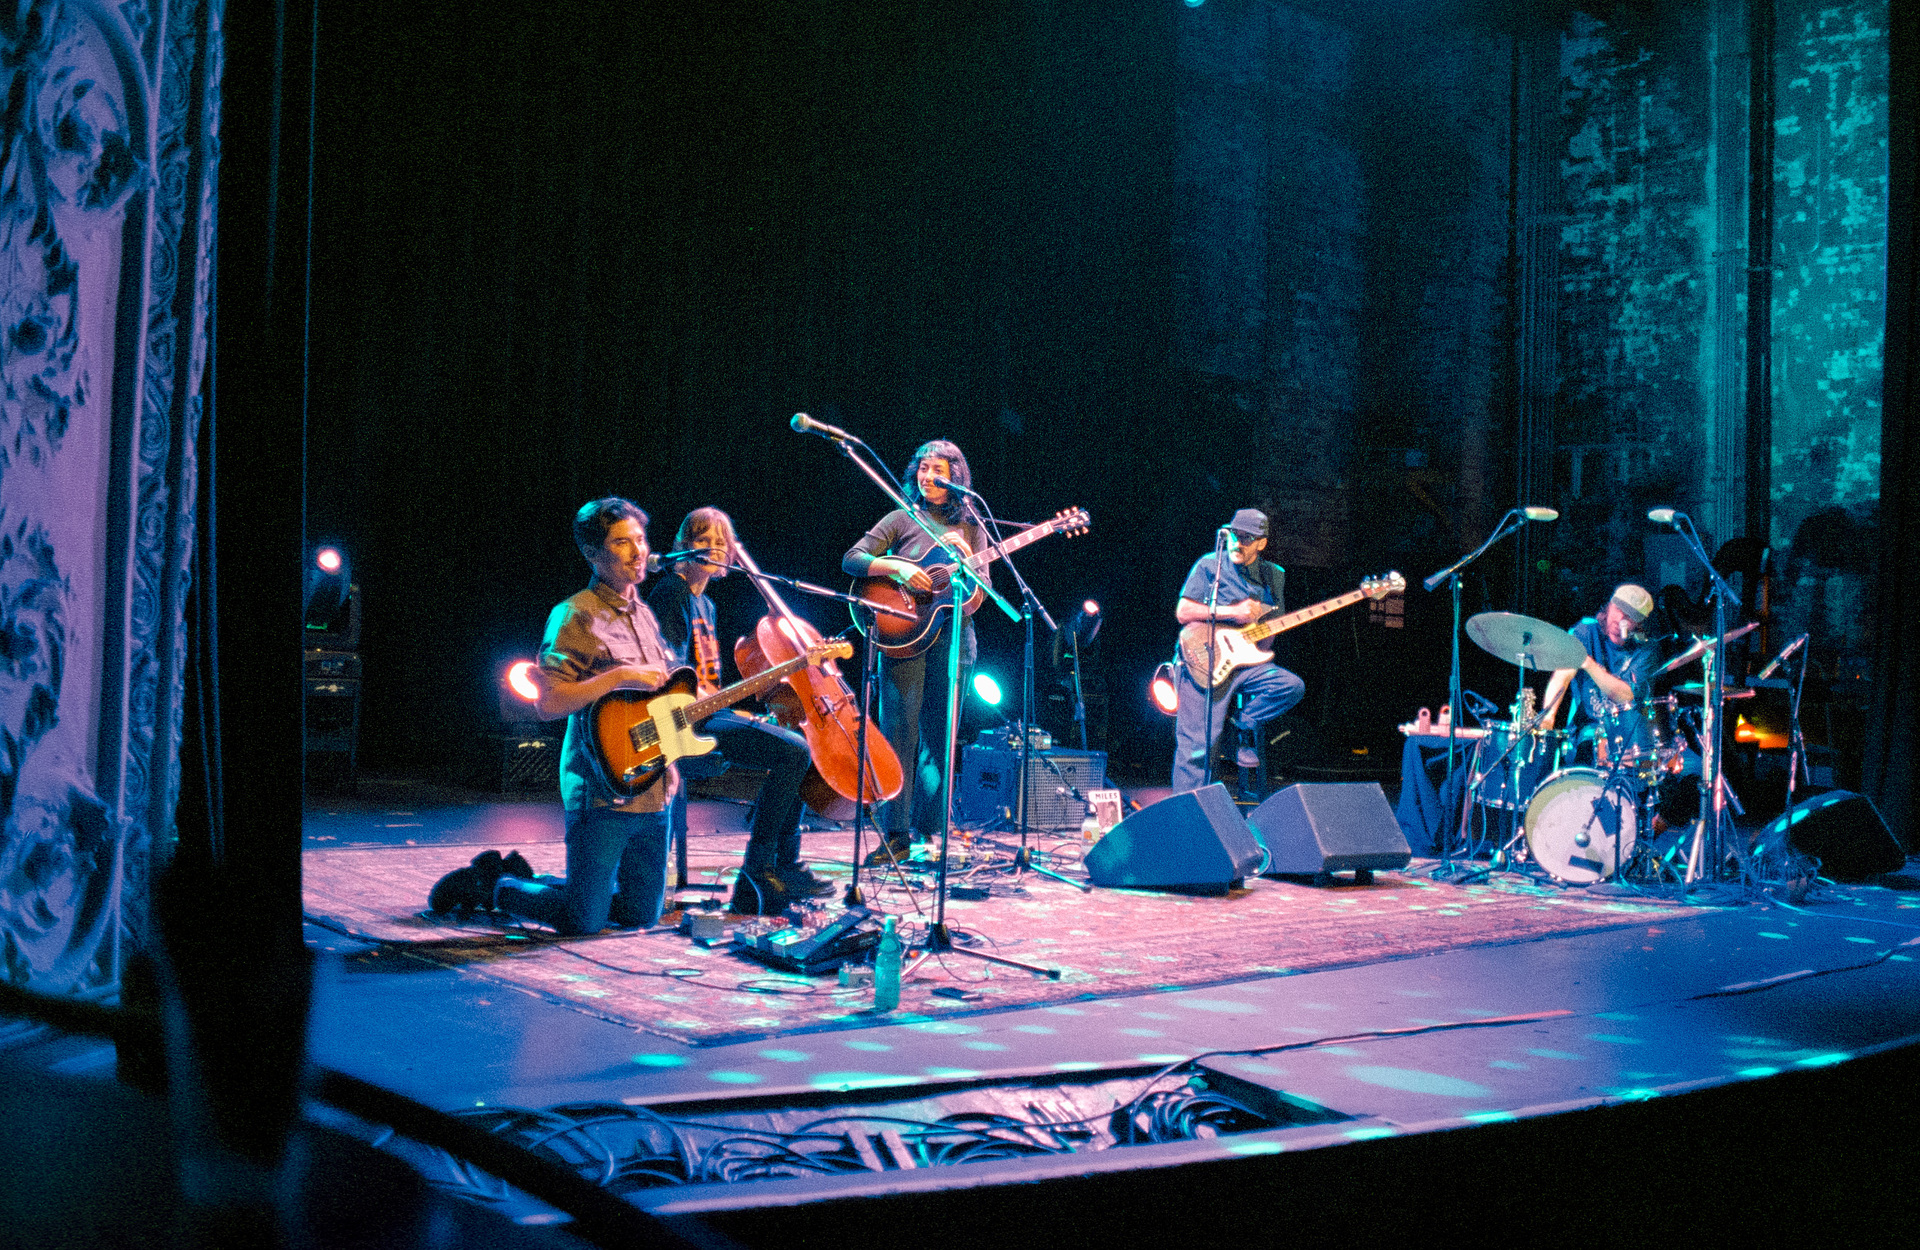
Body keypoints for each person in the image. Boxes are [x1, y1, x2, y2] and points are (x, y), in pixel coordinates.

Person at [485, 498, 678, 934]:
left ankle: (575, 889)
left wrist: (673, 761)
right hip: (601, 790)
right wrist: (618, 676)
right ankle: (497, 886)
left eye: (641, 539)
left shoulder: (645, 614)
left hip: (652, 786)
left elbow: (659, 701)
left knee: (640, 916)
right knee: (583, 922)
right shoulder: (575, 613)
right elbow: (549, 704)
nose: (638, 551)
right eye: (622, 542)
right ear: (592, 553)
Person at [647, 507, 830, 914]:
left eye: (721, 542)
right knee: (794, 751)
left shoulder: (706, 604)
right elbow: (671, 674)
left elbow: (707, 683)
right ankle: (757, 872)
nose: (713, 549)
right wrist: (722, 702)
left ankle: (782, 865)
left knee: (798, 743)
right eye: (703, 540)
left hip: (707, 714)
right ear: (683, 546)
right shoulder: (672, 593)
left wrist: (752, 696)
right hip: (680, 723)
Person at [842, 439, 986, 866]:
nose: (928, 477)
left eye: (937, 470)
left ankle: (932, 832)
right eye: (923, 468)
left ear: (956, 476)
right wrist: (897, 567)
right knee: (899, 733)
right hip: (901, 636)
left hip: (954, 638)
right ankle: (895, 836)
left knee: (943, 738)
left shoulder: (972, 525)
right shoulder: (902, 518)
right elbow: (853, 559)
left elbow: (979, 597)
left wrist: (969, 562)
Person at [1170, 509, 1305, 794]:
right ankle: (1187, 810)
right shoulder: (1209, 565)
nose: (1237, 543)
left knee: (1290, 686)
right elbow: (1183, 611)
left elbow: (1267, 643)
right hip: (1202, 659)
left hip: (1245, 664)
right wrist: (1234, 612)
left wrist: (1266, 630)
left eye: (1246, 538)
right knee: (1198, 748)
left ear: (1261, 543)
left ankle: (1239, 727)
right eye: (1234, 535)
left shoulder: (1273, 575)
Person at [1540, 583, 1661, 765]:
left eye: (1629, 617)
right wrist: (1548, 717)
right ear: (1609, 606)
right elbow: (1562, 675)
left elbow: (1625, 695)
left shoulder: (1647, 649)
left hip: (1628, 735)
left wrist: (1589, 664)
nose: (1620, 619)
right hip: (1589, 731)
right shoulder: (1586, 631)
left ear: (1639, 623)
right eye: (1618, 609)